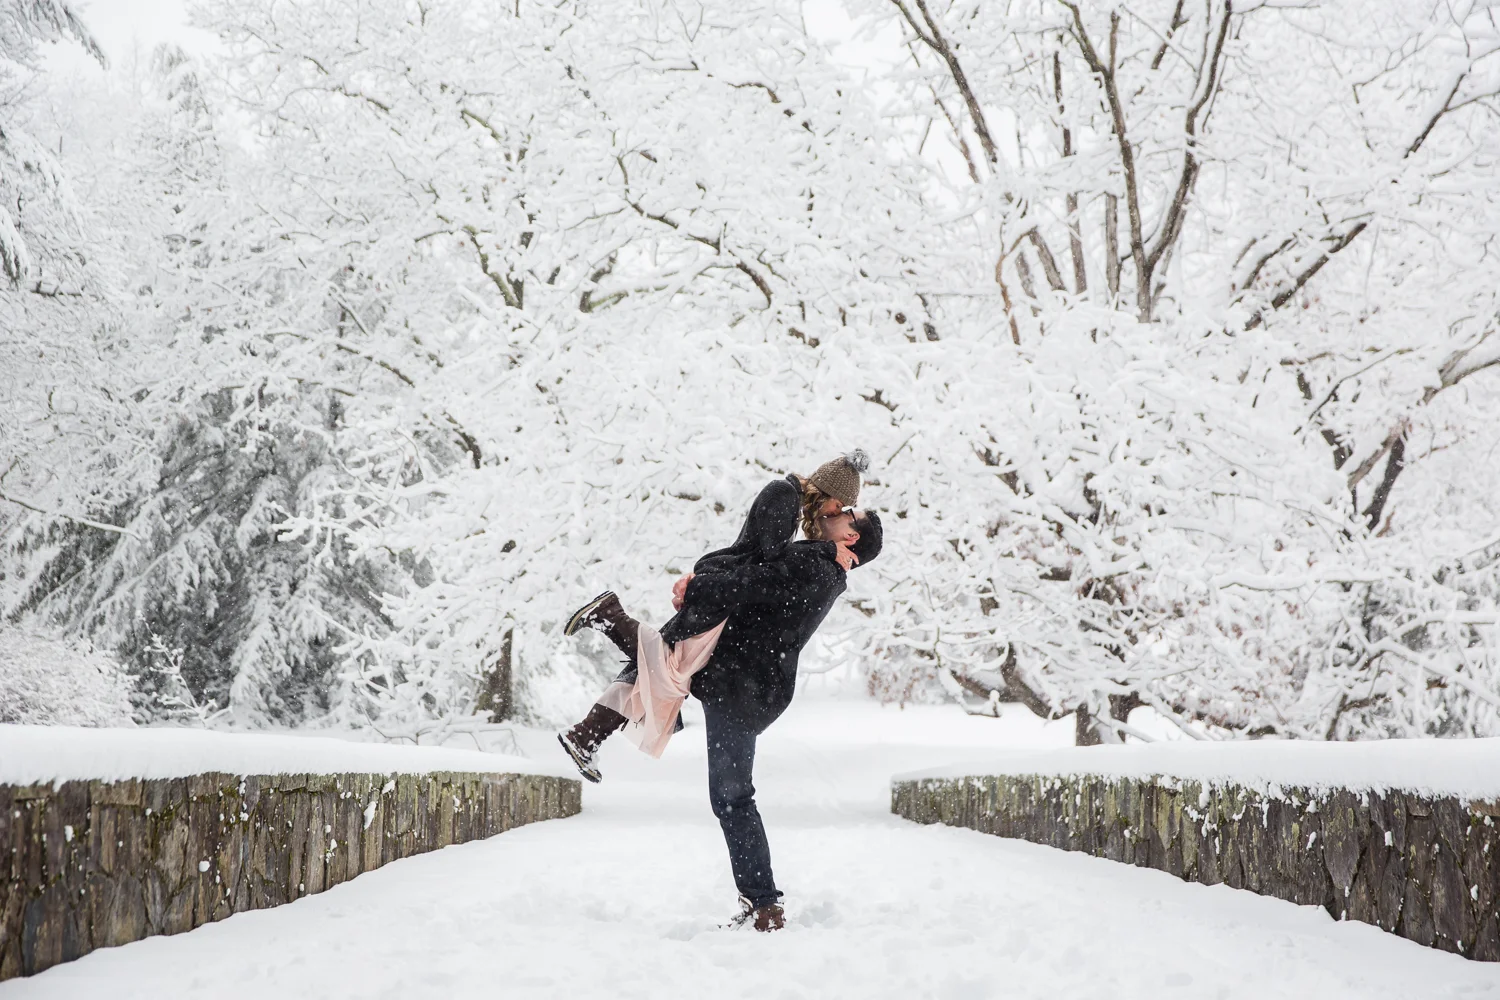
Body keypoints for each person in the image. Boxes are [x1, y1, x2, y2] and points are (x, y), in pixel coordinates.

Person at [558, 454, 883, 933]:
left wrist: (701, 587)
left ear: (851, 538)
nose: (836, 513)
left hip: (743, 686)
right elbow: (756, 573)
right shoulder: (819, 560)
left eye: (846, 514)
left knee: (730, 794)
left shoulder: (817, 563)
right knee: (665, 682)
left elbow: (753, 581)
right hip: (742, 679)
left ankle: (765, 906)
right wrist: (702, 588)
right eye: (841, 505)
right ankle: (763, 903)